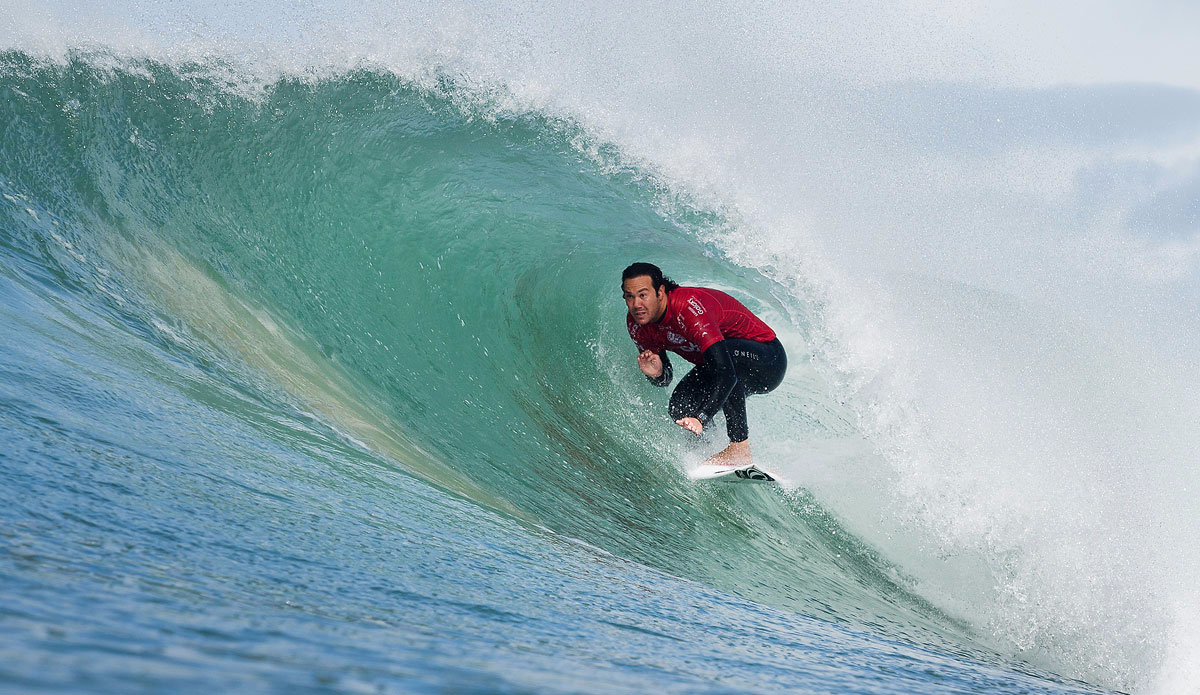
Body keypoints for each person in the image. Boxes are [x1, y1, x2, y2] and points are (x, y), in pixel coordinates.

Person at [621, 262, 787, 466]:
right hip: (724, 367)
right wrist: (657, 374)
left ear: (660, 292)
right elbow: (666, 378)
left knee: (727, 363)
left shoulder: (688, 308)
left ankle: (739, 449)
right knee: (680, 406)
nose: (636, 304)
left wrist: (702, 417)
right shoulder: (637, 325)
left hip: (768, 360)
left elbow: (726, 373)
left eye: (643, 295)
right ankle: (709, 450)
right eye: (629, 296)